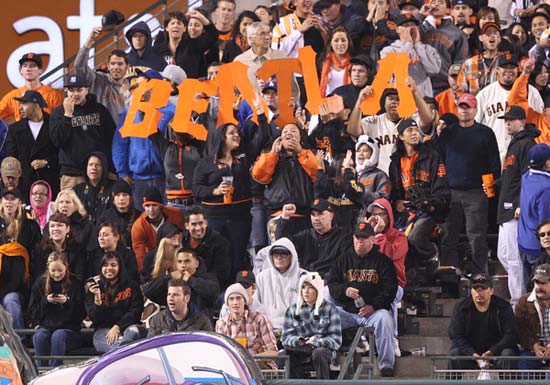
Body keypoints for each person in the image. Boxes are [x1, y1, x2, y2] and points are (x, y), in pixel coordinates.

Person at [193, 100, 268, 277]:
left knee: (237, 257)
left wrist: (260, 114)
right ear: (222, 138)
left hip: (239, 217)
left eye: (238, 133)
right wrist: (215, 191)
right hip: (214, 218)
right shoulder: (206, 162)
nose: (237, 136)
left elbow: (263, 136)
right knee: (218, 258)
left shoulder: (243, 157)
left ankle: (237, 294)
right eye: (232, 133)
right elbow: (196, 189)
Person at [435, 93, 501, 274]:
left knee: (477, 237)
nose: (464, 110)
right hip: (451, 191)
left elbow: (494, 164)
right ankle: (449, 277)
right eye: (461, 107)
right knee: (449, 237)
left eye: (468, 107)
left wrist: (489, 189)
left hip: (476, 193)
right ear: (457, 109)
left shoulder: (486, 133)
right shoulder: (448, 132)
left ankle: (480, 276)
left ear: (475, 110)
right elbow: (438, 159)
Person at [327, 222, 397, 377]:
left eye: (364, 238)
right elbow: (332, 283)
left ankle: (386, 366)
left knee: (385, 320)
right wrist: (344, 290)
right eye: (357, 237)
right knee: (327, 316)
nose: (360, 241)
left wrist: (374, 305)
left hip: (373, 311)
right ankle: (331, 360)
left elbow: (390, 289)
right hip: (347, 311)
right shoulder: (343, 259)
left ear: (372, 239)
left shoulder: (383, 261)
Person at [389, 118, 450, 279]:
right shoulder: (395, 161)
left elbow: (441, 188)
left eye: (416, 130)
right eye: (409, 131)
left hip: (429, 211)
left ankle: (432, 255)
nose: (414, 133)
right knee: (398, 240)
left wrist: (430, 204)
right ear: (401, 136)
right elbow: (395, 191)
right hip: (407, 212)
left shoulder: (431, 156)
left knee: (414, 236)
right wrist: (397, 201)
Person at [112, 71, 175, 209]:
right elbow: (120, 143)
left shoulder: (171, 111)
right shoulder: (130, 111)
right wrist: (122, 171)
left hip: (165, 178)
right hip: (138, 179)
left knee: (166, 221)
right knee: (142, 221)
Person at [495, 106, 539, 305]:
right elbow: (511, 177)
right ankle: (522, 297)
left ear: (522, 121)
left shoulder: (527, 144)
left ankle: (518, 303)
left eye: (511, 120)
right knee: (503, 255)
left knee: (513, 258)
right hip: (505, 209)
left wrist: (521, 204)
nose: (507, 123)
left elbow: (528, 178)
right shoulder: (514, 144)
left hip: (515, 209)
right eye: (506, 120)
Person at [49, 74, 116, 190]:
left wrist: (110, 168)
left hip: (98, 171)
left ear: (87, 90)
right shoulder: (59, 113)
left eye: (79, 90)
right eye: (71, 90)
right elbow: (56, 140)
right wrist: (67, 116)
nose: (75, 94)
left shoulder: (99, 110)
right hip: (72, 173)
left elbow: (111, 139)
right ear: (66, 91)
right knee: (70, 207)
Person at [475, 54, 544, 161]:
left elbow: (540, 123)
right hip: (492, 153)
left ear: (518, 69)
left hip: (523, 153)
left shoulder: (532, 92)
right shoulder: (485, 94)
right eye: (504, 67)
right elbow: (476, 125)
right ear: (497, 70)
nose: (508, 70)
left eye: (512, 67)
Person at [252, 123, 318, 232]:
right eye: (285, 132)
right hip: (277, 214)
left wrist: (300, 152)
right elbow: (259, 175)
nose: (289, 133)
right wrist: (273, 153)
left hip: (303, 215)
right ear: (280, 138)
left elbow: (317, 173)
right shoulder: (271, 156)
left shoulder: (310, 154)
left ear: (300, 137)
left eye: (293, 131)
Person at [448, 274, 517, 373]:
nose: (479, 292)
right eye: (476, 289)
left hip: (497, 352)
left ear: (491, 291)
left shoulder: (503, 307)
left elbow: (510, 335)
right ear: (471, 291)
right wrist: (474, 355)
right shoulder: (460, 308)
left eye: (483, 289)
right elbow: (456, 336)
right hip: (470, 353)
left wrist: (492, 352)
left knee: (508, 354)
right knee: (454, 355)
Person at [364, 198, 408, 355]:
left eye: (382, 214)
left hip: (394, 284)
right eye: (374, 214)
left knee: (388, 296)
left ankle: (392, 339)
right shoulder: (364, 237)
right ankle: (361, 338)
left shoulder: (400, 237)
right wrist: (368, 233)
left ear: (389, 215)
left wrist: (379, 235)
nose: (377, 218)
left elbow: (390, 255)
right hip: (368, 282)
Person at [27, 252, 85, 367]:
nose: (57, 274)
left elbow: (82, 314)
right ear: (48, 268)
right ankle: (41, 369)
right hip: (47, 327)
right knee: (39, 336)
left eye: (60, 270)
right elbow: (33, 314)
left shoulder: (75, 283)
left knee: (58, 335)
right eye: (53, 271)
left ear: (66, 268)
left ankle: (55, 370)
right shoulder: (40, 283)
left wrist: (67, 303)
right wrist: (45, 301)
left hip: (70, 331)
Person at [281, 272, 342, 379]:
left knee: (319, 353)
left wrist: (314, 342)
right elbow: (285, 337)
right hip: (300, 350)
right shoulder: (292, 310)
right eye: (303, 287)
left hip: (323, 351)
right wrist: (299, 340)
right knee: (284, 355)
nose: (306, 291)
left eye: (310, 287)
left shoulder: (330, 309)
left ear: (318, 290)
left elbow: (336, 340)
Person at [85, 252, 143, 353]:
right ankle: (125, 352)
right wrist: (98, 299)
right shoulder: (94, 289)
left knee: (133, 332)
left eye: (113, 265)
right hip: (103, 330)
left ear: (120, 267)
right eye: (105, 265)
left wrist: (118, 326)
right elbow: (95, 318)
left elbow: (135, 311)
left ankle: (122, 351)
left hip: (128, 327)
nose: (109, 268)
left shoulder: (132, 286)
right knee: (102, 339)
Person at [276, 199, 351, 277]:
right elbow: (282, 243)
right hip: (304, 281)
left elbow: (344, 266)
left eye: (320, 214)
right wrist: (284, 217)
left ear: (331, 216)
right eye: (313, 214)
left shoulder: (343, 238)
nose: (316, 218)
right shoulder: (306, 235)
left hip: (329, 283)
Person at [6, 90, 59, 198]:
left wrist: (46, 162)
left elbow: (63, 151)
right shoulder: (14, 129)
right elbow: (11, 157)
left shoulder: (55, 124)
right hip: (25, 185)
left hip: (51, 182)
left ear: (36, 105)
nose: (20, 107)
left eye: (24, 103)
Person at [75, 28, 130, 124]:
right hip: (100, 135)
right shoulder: (98, 80)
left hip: (123, 136)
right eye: (113, 64)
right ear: (108, 66)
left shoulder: (132, 87)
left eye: (120, 64)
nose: (116, 67)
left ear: (127, 67)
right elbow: (79, 66)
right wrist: (91, 39)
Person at [143, 247, 219, 315]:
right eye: (179, 262)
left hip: (199, 324)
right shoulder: (171, 281)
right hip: (174, 325)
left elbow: (213, 293)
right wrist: (168, 277)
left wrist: (190, 280)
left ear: (196, 264)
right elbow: (148, 291)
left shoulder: (208, 277)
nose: (183, 265)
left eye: (187, 261)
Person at [380, 13, 442, 97]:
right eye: (406, 26)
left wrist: (417, 44)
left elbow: (434, 70)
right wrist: (408, 44)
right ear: (397, 29)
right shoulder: (388, 51)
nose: (410, 28)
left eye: (413, 25)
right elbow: (396, 70)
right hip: (400, 99)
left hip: (424, 99)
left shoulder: (427, 49)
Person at [215, 283, 278, 361]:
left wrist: (250, 361)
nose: (235, 302)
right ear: (227, 304)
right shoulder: (221, 324)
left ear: (245, 301)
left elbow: (273, 352)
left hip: (259, 367)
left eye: (238, 298)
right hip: (234, 367)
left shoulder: (259, 319)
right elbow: (221, 353)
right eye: (231, 299)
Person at [419, 0, 469, 95]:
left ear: (447, 10)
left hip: (444, 87)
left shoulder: (457, 34)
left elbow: (460, 61)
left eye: (441, 2)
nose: (436, 4)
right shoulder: (419, 29)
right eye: (433, 2)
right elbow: (405, 36)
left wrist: (453, 80)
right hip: (421, 84)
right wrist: (420, 15)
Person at [254, 238, 305, 330]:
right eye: (275, 254)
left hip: (296, 327)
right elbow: (256, 304)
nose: (279, 257)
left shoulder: (304, 276)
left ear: (292, 256)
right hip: (267, 327)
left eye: (283, 254)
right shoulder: (262, 277)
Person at [131, 186, 185, 272]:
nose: (151, 210)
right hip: (153, 259)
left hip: (175, 255)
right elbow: (140, 257)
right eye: (147, 206)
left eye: (154, 205)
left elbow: (183, 241)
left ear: (160, 206)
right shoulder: (138, 226)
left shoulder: (176, 215)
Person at [518, 144, 550, 283]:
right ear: (547, 163)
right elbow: (545, 221)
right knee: (542, 290)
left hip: (523, 243)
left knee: (529, 289)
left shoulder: (526, 177)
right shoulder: (546, 187)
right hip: (538, 248)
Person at [0, 53, 63, 122]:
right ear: (21, 71)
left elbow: (62, 120)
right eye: (25, 66)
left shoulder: (53, 94)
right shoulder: (13, 96)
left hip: (46, 131)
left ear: (40, 70)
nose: (28, 69)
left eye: (32, 66)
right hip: (22, 131)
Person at [181, 206, 231, 289]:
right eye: (193, 224)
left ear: (206, 223)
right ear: (186, 226)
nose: (198, 228)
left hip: (210, 288)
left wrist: (195, 281)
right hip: (184, 287)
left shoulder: (220, 242)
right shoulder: (181, 241)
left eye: (200, 223)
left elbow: (222, 274)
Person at [147, 279, 213, 337]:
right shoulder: (157, 320)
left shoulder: (202, 322)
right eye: (169, 294)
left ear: (187, 298)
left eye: (175, 295)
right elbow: (150, 347)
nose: (170, 298)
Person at [515, 263, 550, 371]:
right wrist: (533, 345)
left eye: (543, 283)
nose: (539, 287)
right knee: (525, 362)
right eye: (536, 282)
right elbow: (519, 330)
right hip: (531, 350)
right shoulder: (523, 302)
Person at [235, 22, 287, 91]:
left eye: (269, 33)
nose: (267, 37)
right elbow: (235, 92)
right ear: (251, 38)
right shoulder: (240, 61)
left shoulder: (281, 57)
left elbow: (292, 89)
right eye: (262, 34)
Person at [33, 213, 85, 282]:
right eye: (52, 226)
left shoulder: (77, 248)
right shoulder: (40, 249)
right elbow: (38, 276)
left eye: (60, 225)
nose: (55, 229)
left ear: (67, 229)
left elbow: (79, 275)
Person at [457, 22, 503, 96]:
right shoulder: (469, 63)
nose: (492, 36)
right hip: (475, 106)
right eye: (488, 34)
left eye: (495, 33)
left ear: (499, 38)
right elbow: (460, 91)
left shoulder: (506, 61)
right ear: (480, 38)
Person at [74, 152, 114, 224]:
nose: (94, 168)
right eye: (90, 165)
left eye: (98, 165)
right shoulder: (77, 189)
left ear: (104, 168)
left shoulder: (113, 187)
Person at [97, 179, 138, 247]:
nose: (121, 198)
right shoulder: (105, 216)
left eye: (124, 195)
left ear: (130, 198)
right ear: (113, 198)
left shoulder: (138, 216)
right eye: (117, 195)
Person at [354, 135, 391, 208]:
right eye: (359, 151)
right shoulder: (352, 175)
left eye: (365, 151)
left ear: (373, 154)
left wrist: (363, 194)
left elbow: (384, 197)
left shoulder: (380, 175)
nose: (361, 153)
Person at [318, 26, 353, 98]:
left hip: (347, 104)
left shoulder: (354, 63)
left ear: (348, 42)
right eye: (336, 40)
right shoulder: (322, 63)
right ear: (330, 43)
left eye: (343, 40)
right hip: (327, 104)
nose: (340, 44)